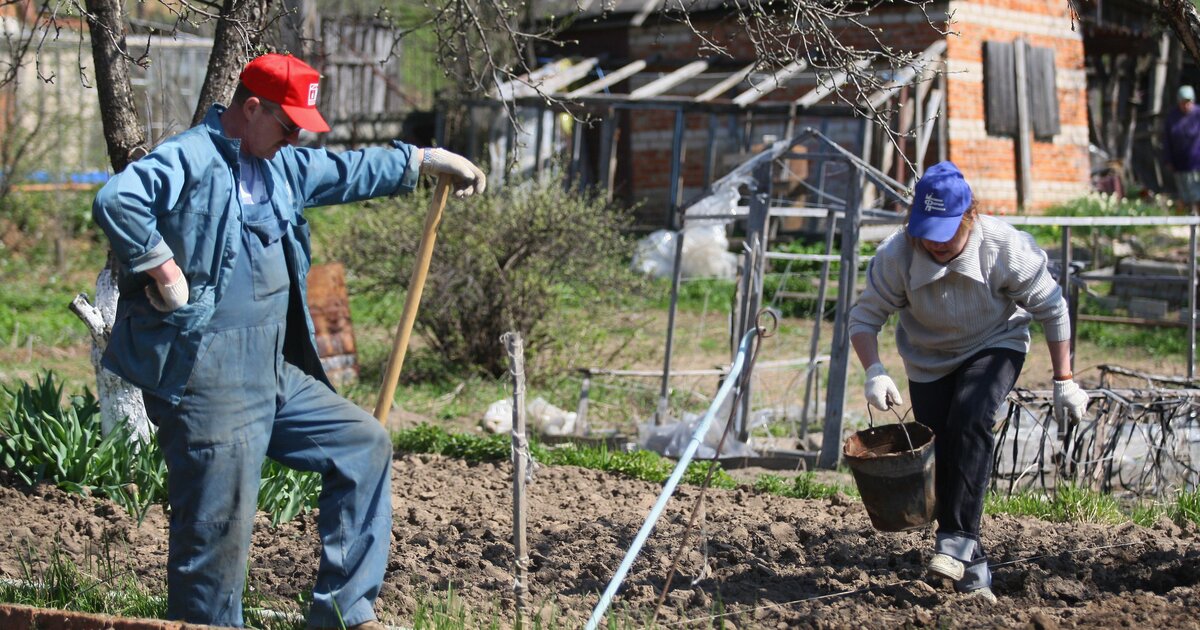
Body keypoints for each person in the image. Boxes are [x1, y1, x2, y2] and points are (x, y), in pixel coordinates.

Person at [92, 53, 486, 629]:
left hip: (270, 371)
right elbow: (117, 201)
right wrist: (164, 270)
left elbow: (346, 171)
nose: (296, 136)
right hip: (206, 379)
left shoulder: (280, 167)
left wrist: (421, 160)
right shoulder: (192, 157)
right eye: (288, 124)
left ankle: (344, 614)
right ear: (251, 108)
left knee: (362, 444)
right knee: (217, 535)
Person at [847, 161, 1089, 603]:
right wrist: (874, 369)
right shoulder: (897, 255)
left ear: (969, 217)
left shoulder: (1003, 246)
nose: (934, 243)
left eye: (946, 231)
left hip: (994, 342)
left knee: (972, 416)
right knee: (943, 453)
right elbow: (864, 316)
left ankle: (956, 538)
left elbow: (1052, 307)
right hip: (928, 359)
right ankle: (974, 575)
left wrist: (1064, 380)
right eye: (926, 231)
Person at [1164, 84, 1200, 214]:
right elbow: (1167, 140)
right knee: (1184, 196)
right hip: (1179, 164)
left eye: (1188, 102)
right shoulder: (1173, 117)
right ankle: (1186, 221)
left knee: (1197, 194)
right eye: (1183, 102)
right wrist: (1168, 160)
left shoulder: (1198, 114)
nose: (1186, 105)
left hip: (1197, 163)